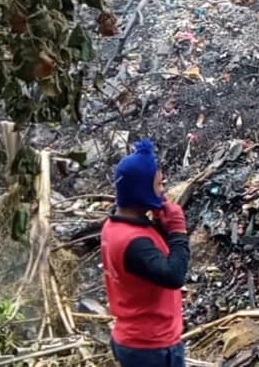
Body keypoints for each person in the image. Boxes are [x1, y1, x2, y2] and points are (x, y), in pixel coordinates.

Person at [101, 140, 189, 367]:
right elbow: (173, 275)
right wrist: (178, 232)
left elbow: (146, 265)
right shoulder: (135, 242)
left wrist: (161, 225)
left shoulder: (115, 226)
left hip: (133, 338)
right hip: (151, 348)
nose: (163, 191)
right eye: (158, 185)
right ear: (142, 191)